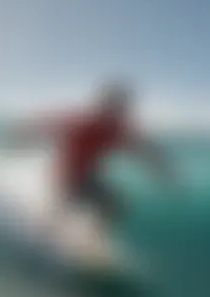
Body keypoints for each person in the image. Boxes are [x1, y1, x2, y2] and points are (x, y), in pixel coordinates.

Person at [10, 81, 170, 231]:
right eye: (116, 106)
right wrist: (19, 140)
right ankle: (46, 234)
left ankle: (90, 235)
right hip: (66, 176)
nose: (120, 112)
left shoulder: (116, 130)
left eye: (122, 107)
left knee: (115, 205)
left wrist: (160, 167)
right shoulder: (84, 123)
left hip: (88, 177)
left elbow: (141, 147)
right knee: (64, 209)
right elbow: (46, 126)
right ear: (105, 105)